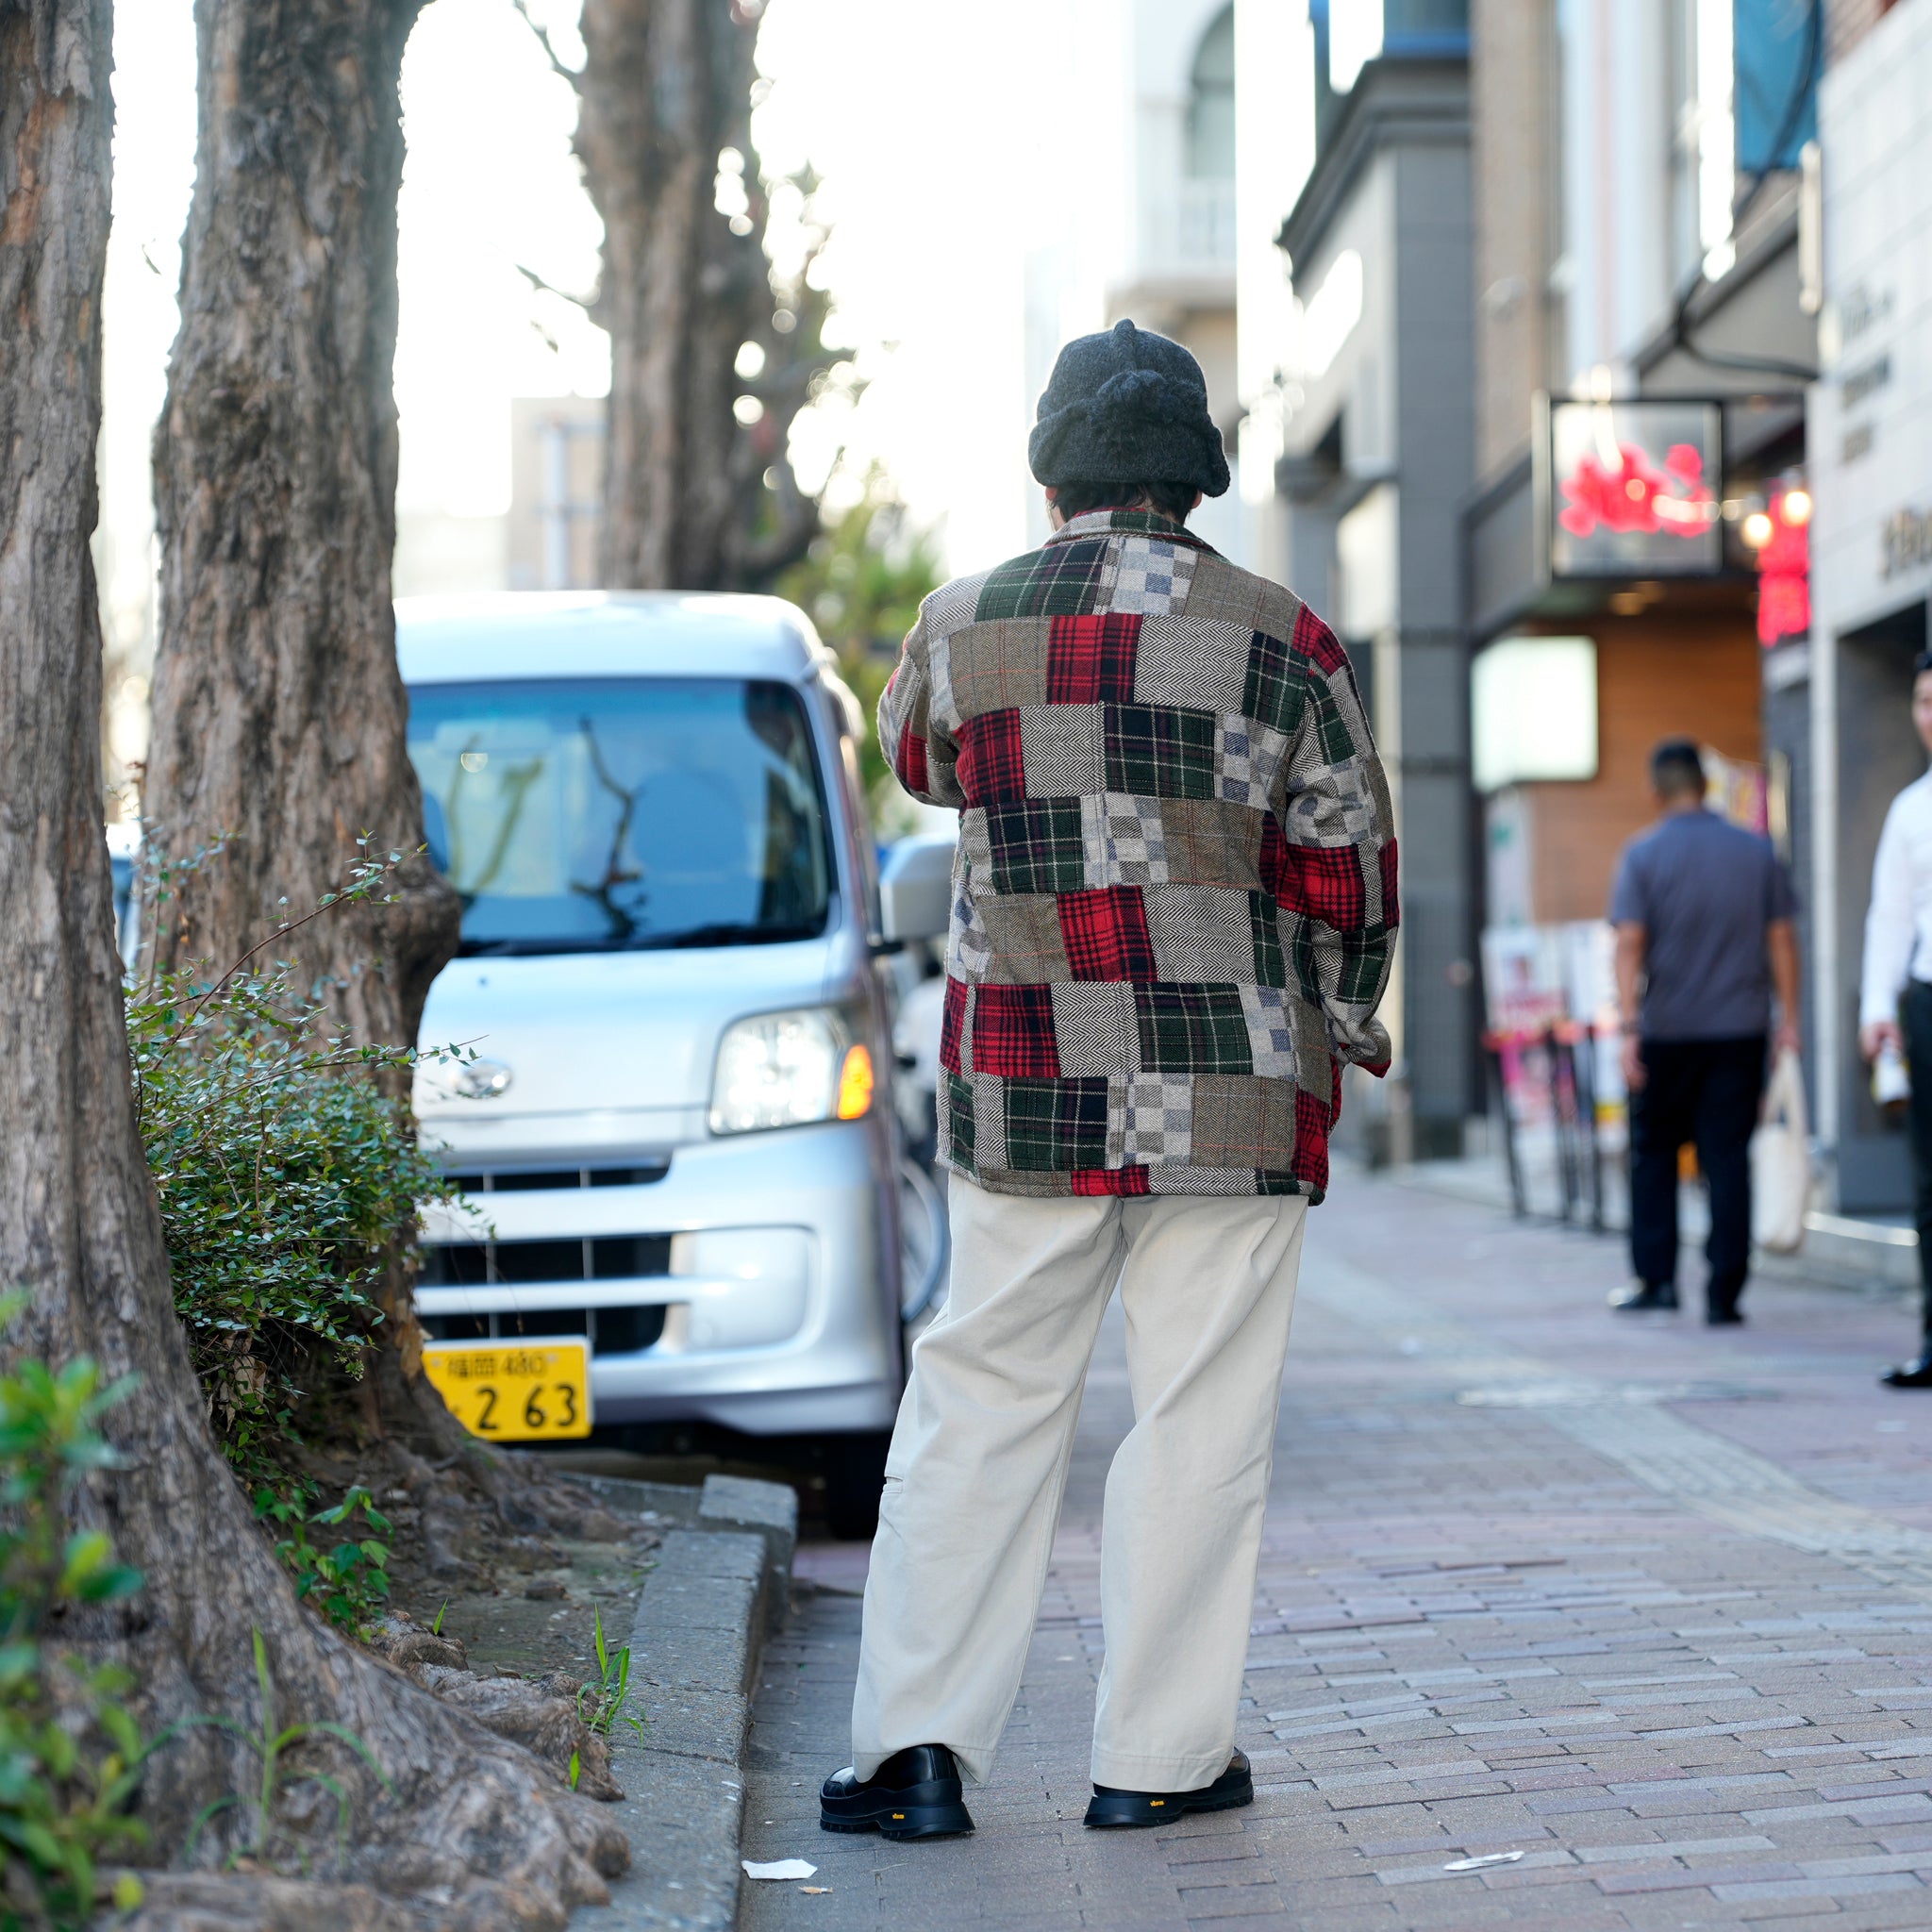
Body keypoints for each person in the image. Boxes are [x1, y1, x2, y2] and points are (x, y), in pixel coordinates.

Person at [818, 319, 1397, 1841]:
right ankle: (1157, 1754)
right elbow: (1348, 861)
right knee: (1201, 1416)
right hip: (1234, 1080)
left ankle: (913, 1752)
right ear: (1194, 474)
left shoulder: (959, 624)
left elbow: (922, 770)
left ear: (1055, 464)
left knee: (980, 1401)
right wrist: (1341, 1007)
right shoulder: (1286, 636)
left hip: (1028, 1075)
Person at [1607, 739, 1800, 1324]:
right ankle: (1725, 1293)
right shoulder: (1755, 851)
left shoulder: (1642, 855)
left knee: (1656, 1156)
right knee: (1727, 1158)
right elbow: (1782, 940)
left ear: (1655, 791)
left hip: (1667, 1032)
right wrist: (1788, 1019)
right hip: (1739, 1032)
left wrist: (1627, 1026)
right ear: (1706, 785)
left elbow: (1628, 942)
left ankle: (1658, 1281)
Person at [1857, 649, 1932, 1388]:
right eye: (1921, 701)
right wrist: (1878, 1008)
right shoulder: (1912, 808)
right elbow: (1891, 918)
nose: (1928, 717)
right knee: (1930, 1184)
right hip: (1928, 1000)